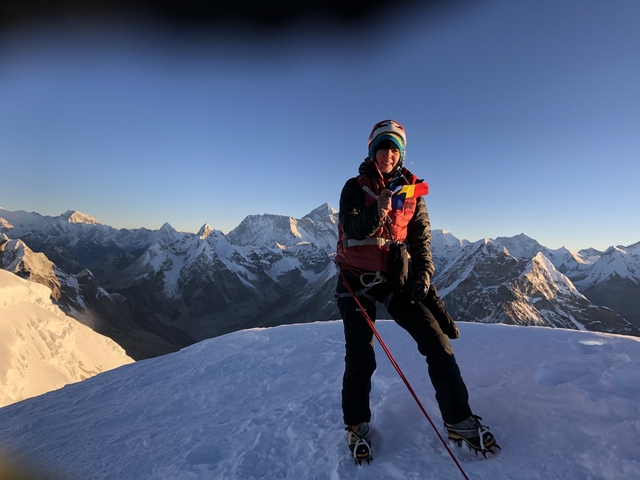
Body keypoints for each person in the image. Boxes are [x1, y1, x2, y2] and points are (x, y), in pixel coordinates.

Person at [334, 119, 498, 463]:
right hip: (355, 278)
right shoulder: (355, 187)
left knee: (436, 341)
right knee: (361, 354)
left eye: (394, 148)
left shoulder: (412, 192)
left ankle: (458, 420)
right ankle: (357, 424)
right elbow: (350, 225)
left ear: (402, 153)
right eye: (382, 147)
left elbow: (420, 241)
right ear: (371, 151)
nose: (387, 154)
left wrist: (423, 275)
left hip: (393, 277)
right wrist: (377, 209)